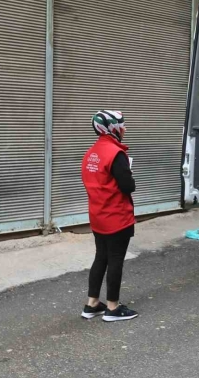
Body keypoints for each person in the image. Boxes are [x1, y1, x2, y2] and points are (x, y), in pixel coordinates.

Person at [81, 110, 139, 322]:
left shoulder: (91, 153)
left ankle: (92, 304)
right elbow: (128, 186)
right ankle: (113, 308)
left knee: (101, 258)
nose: (124, 129)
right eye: (122, 125)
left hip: (98, 215)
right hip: (116, 217)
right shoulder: (115, 154)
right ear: (112, 128)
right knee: (115, 261)